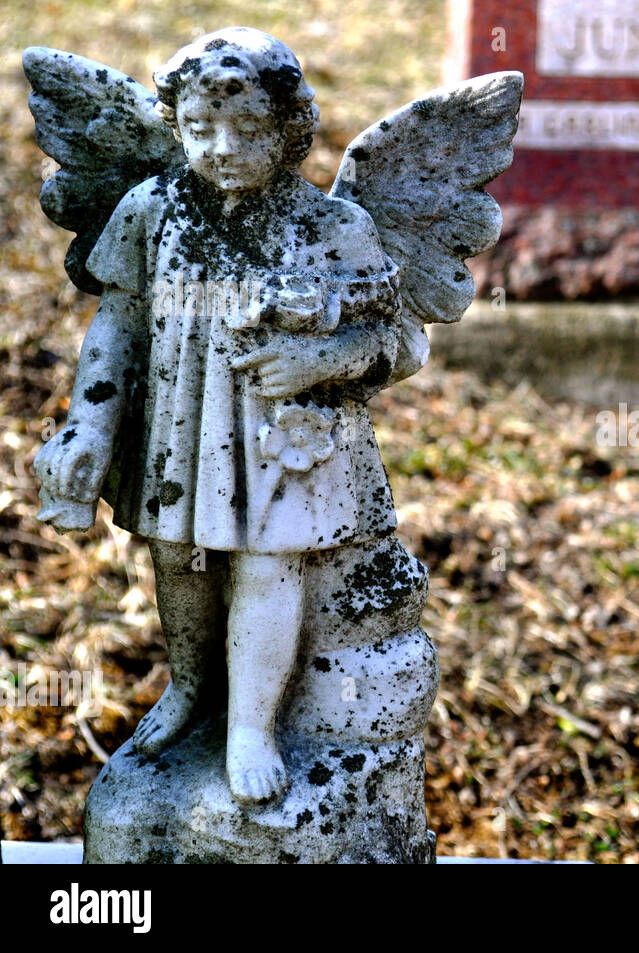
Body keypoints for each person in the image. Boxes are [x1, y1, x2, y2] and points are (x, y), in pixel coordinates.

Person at [34, 28, 403, 805]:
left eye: (248, 130)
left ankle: (251, 727)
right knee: (175, 557)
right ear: (176, 126)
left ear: (290, 128)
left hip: (287, 434)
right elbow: (119, 320)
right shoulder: (152, 208)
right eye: (199, 130)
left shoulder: (332, 228)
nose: (222, 147)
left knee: (269, 565)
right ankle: (193, 686)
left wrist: (323, 361)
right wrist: (92, 423)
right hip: (179, 419)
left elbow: (396, 341)